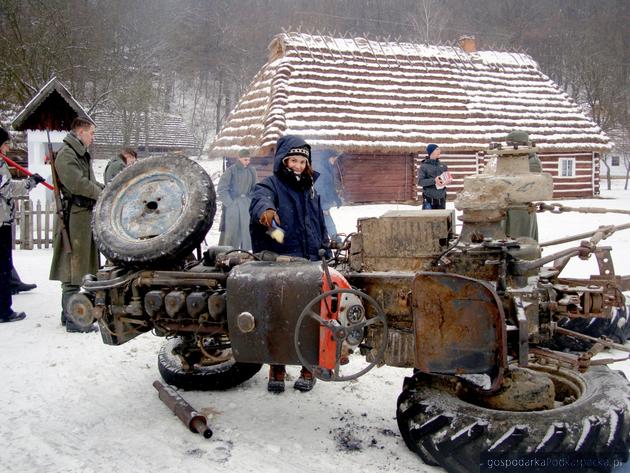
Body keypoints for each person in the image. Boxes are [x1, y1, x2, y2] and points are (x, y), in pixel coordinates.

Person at [249, 135, 330, 393]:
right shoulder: (269, 184)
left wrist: (325, 247)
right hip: (281, 263)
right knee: (278, 315)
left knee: (310, 317)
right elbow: (260, 202)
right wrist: (268, 216)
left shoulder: (311, 188)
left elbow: (318, 222)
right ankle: (277, 368)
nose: (296, 165)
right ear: (283, 161)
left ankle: (308, 368)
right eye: (292, 160)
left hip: (310, 260)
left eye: (301, 160)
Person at [49, 117, 104, 333]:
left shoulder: (78, 153)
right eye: (91, 133)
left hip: (82, 217)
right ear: (81, 132)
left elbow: (88, 180)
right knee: (72, 270)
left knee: (79, 267)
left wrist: (106, 188)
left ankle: (69, 314)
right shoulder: (67, 154)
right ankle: (73, 320)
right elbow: (77, 183)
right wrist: (100, 193)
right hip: (74, 218)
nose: (93, 137)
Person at [0, 126, 46, 323]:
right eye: (5, 144)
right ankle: (4, 310)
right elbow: (7, 189)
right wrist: (30, 182)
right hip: (1, 222)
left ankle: (11, 287)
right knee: (2, 266)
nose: (8, 148)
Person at [503, 130, 541, 241]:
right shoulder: (515, 158)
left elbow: (527, 186)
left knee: (522, 243)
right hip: (509, 208)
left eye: (512, 144)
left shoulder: (532, 162)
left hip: (522, 210)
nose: (509, 147)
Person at [217, 148, 257, 250]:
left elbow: (255, 188)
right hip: (233, 205)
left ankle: (246, 254)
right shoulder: (231, 170)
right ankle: (229, 254)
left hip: (246, 205)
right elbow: (221, 189)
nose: (247, 162)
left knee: (246, 232)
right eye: (245, 159)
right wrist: (230, 203)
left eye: (248, 159)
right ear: (239, 158)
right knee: (232, 232)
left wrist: (250, 200)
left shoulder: (252, 171)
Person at [312, 149, 343, 241]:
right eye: (333, 158)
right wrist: (323, 206)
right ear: (327, 158)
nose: (335, 160)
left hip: (324, 204)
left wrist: (337, 199)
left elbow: (330, 187)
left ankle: (333, 240)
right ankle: (336, 241)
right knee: (327, 224)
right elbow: (319, 188)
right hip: (321, 204)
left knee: (325, 224)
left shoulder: (328, 168)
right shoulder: (321, 169)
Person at [418, 143, 450, 209]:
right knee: (428, 218)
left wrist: (448, 180)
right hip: (429, 198)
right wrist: (434, 180)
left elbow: (446, 178)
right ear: (431, 152)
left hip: (442, 198)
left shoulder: (443, 165)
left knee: (442, 218)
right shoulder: (424, 166)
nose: (439, 151)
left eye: (439, 149)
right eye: (437, 149)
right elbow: (420, 182)